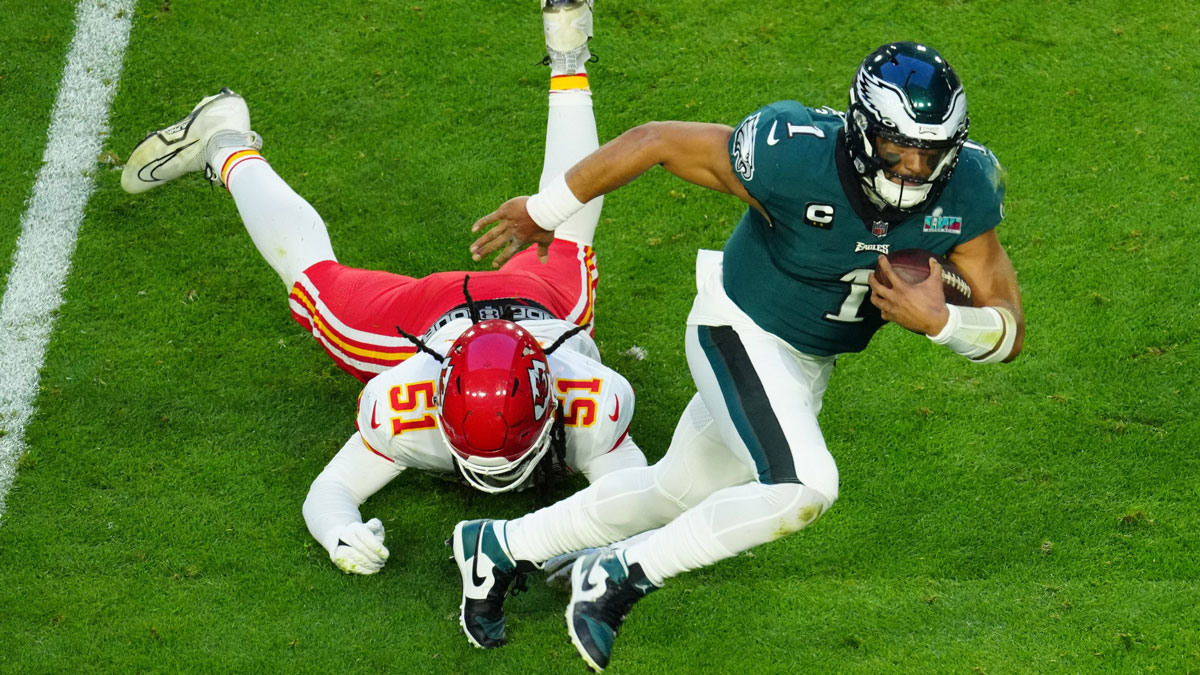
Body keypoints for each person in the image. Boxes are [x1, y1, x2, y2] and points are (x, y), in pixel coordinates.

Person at [454, 36, 1025, 672]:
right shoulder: (794, 154)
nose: (914, 171)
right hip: (737, 326)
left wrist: (944, 323)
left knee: (674, 493)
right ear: (864, 132)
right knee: (803, 488)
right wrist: (543, 211)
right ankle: (620, 574)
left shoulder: (967, 186)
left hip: (806, 362)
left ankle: (499, 545)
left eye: (930, 153)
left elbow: (1008, 326)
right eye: (898, 150)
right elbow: (654, 141)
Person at [120, 0, 645, 589]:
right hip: (449, 319)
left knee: (319, 274)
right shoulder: (414, 399)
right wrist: (337, 529)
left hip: (539, 311)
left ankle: (228, 145)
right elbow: (331, 494)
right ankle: (222, 143)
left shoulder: (583, 399)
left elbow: (640, 503)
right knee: (565, 228)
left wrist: (338, 526)